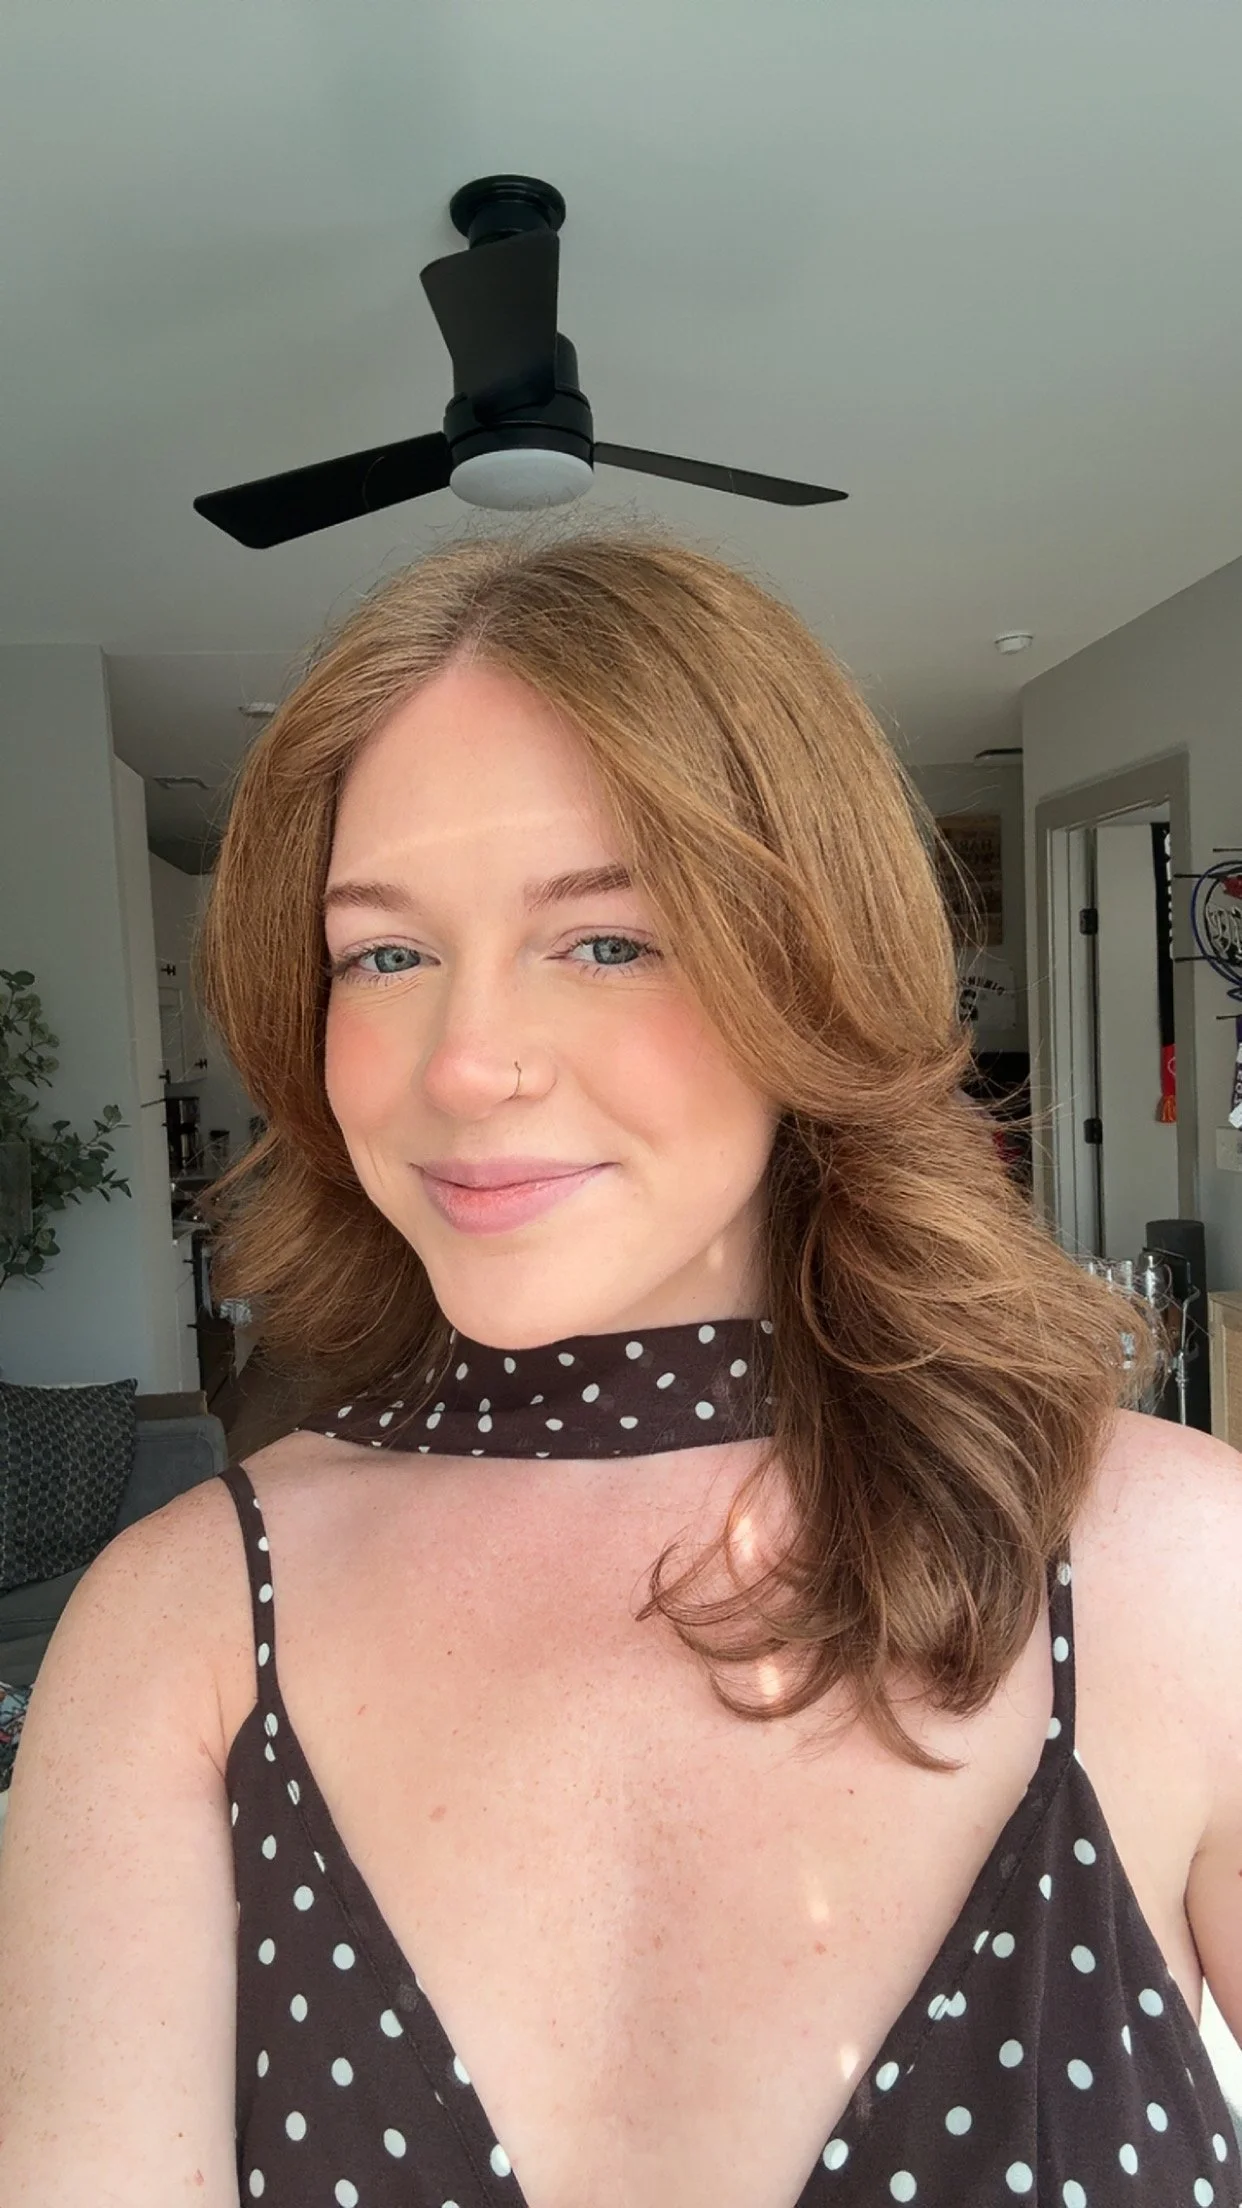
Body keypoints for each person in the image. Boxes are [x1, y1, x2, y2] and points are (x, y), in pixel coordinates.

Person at [1, 527, 1239, 2207]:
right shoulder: (183, 1630)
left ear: (811, 964)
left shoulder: (1173, 1571)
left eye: (606, 940)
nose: (466, 1063)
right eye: (384, 953)